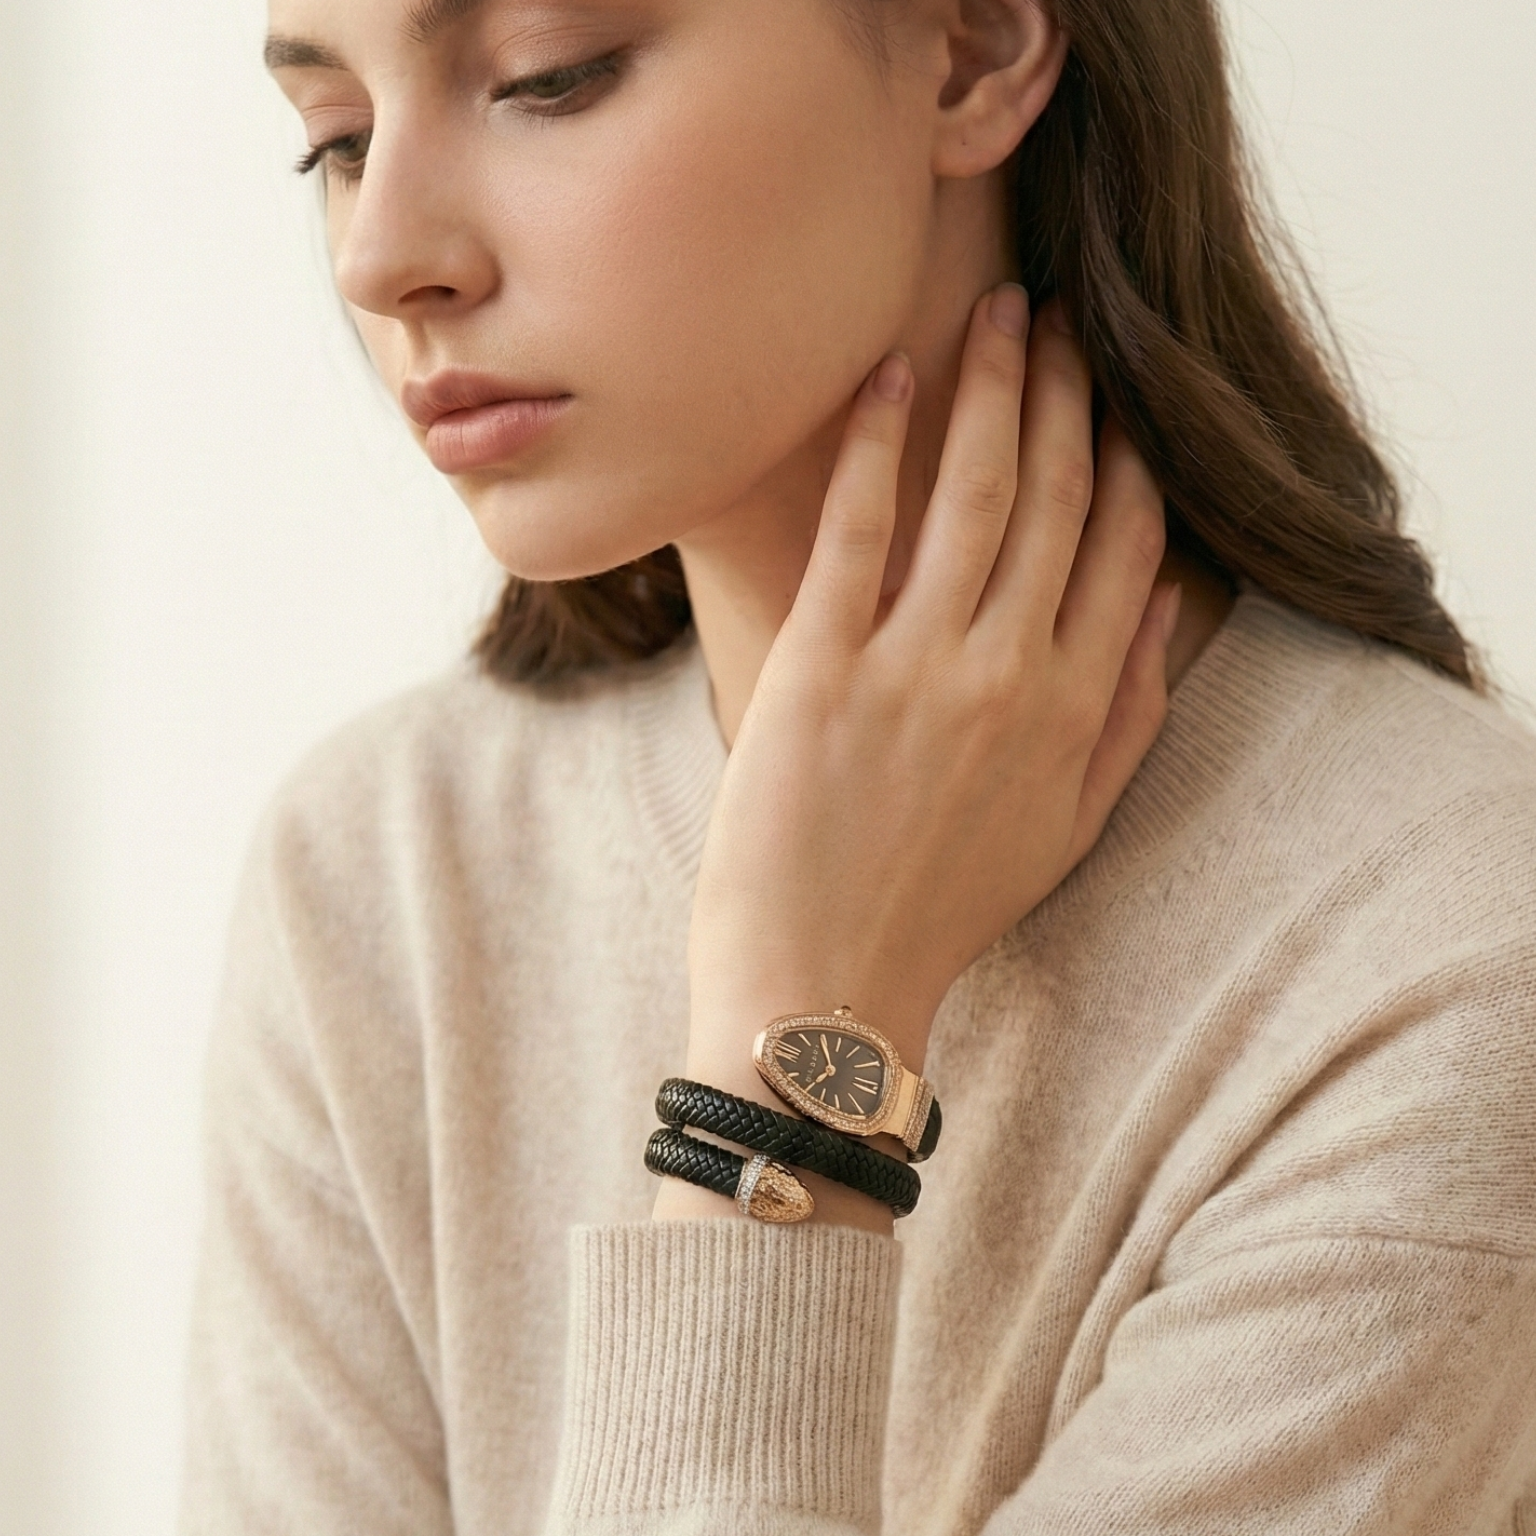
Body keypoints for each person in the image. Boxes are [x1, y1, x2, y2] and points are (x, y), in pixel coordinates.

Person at [179, 0, 1536, 1530]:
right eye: (337, 143)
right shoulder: (379, 880)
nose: (379, 256)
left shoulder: (1449, 960)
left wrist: (784, 1075)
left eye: (550, 76)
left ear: (969, 46)